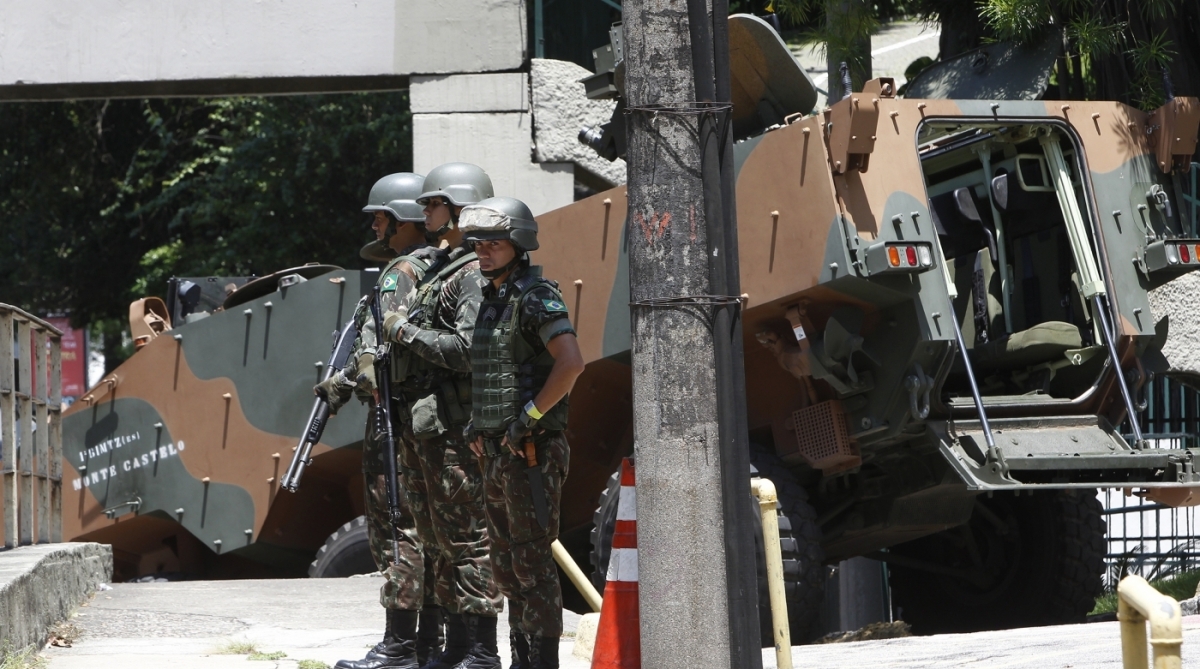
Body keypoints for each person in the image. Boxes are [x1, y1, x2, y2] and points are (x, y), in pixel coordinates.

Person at [316, 172, 445, 669]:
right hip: (428, 419)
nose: (374, 222)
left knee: (396, 528)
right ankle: (428, 643)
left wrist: (346, 383)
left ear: (404, 220)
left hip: (394, 421)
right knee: (427, 530)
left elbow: (380, 357)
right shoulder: (445, 265)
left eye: (381, 215)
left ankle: (399, 645)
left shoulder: (400, 273)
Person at [380, 162, 503, 669]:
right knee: (436, 538)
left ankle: (480, 650)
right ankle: (450, 648)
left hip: (457, 429)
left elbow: (469, 348)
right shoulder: (444, 267)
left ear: (458, 209)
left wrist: (402, 332)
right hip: (432, 428)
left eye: (431, 205)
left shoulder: (471, 272)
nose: (423, 212)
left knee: (469, 539)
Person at [459, 197, 585, 669]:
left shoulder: (536, 296)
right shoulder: (494, 297)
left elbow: (571, 364)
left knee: (531, 563)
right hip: (497, 451)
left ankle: (542, 661)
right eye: (478, 244)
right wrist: (481, 424)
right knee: (507, 564)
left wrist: (529, 417)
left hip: (531, 450)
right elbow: (495, 372)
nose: (483, 252)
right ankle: (521, 657)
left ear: (518, 244)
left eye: (493, 243)